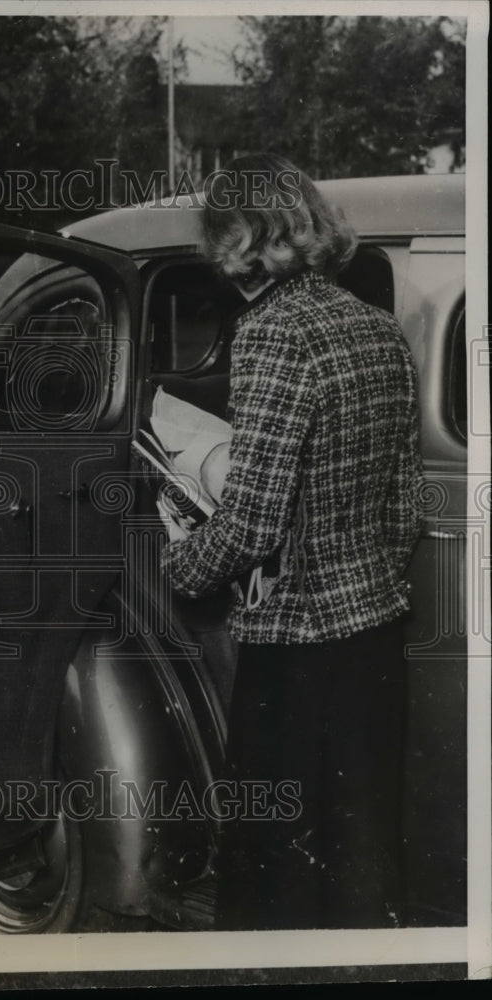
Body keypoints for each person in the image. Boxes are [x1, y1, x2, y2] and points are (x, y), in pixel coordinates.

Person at [158, 153, 423, 930]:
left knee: (272, 884)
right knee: (361, 869)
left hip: (296, 651)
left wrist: (177, 559)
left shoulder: (271, 333)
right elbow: (403, 503)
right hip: (374, 639)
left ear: (244, 236)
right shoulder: (376, 328)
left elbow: (253, 521)